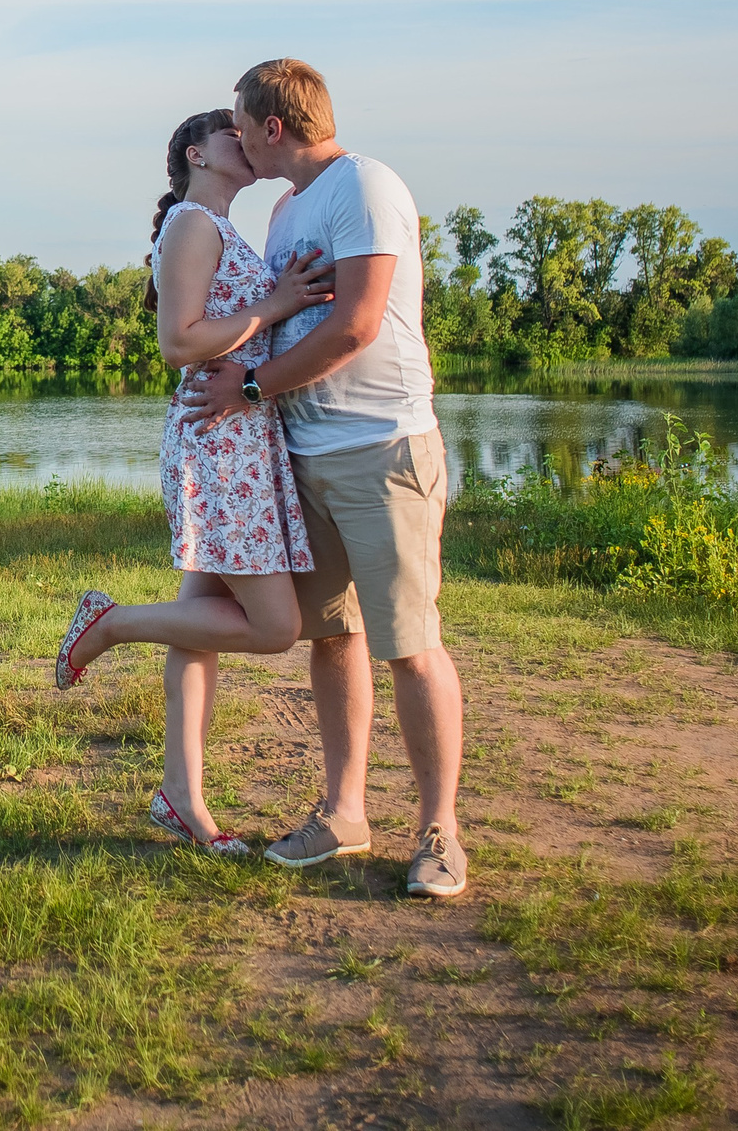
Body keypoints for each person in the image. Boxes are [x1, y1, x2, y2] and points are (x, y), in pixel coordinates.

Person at [178, 58, 468, 900]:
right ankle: (344, 812)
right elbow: (280, 316)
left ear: (273, 128)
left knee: (409, 645)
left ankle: (440, 831)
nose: (234, 135)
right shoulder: (285, 210)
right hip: (306, 456)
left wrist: (254, 388)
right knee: (333, 636)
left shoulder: (365, 186)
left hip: (382, 451)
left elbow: (357, 323)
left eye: (241, 122)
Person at [51, 107, 333, 855]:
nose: (247, 144)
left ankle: (182, 798)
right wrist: (274, 304)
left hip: (239, 437)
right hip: (219, 446)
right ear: (195, 153)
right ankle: (108, 622)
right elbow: (178, 342)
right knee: (276, 627)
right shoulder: (191, 223)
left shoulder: (216, 223)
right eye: (231, 135)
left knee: (200, 627)